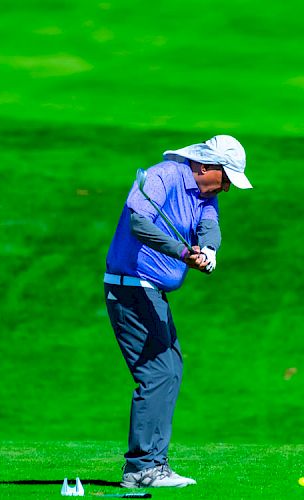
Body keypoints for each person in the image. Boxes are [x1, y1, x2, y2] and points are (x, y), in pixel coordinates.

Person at [104, 135, 252, 488]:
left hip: (149, 290)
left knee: (170, 369)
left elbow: (208, 225)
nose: (227, 188)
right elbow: (139, 224)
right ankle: (142, 468)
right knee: (157, 373)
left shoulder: (205, 195)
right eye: (227, 178)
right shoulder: (162, 176)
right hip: (130, 284)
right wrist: (183, 254)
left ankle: (154, 463)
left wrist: (209, 249)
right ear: (205, 166)